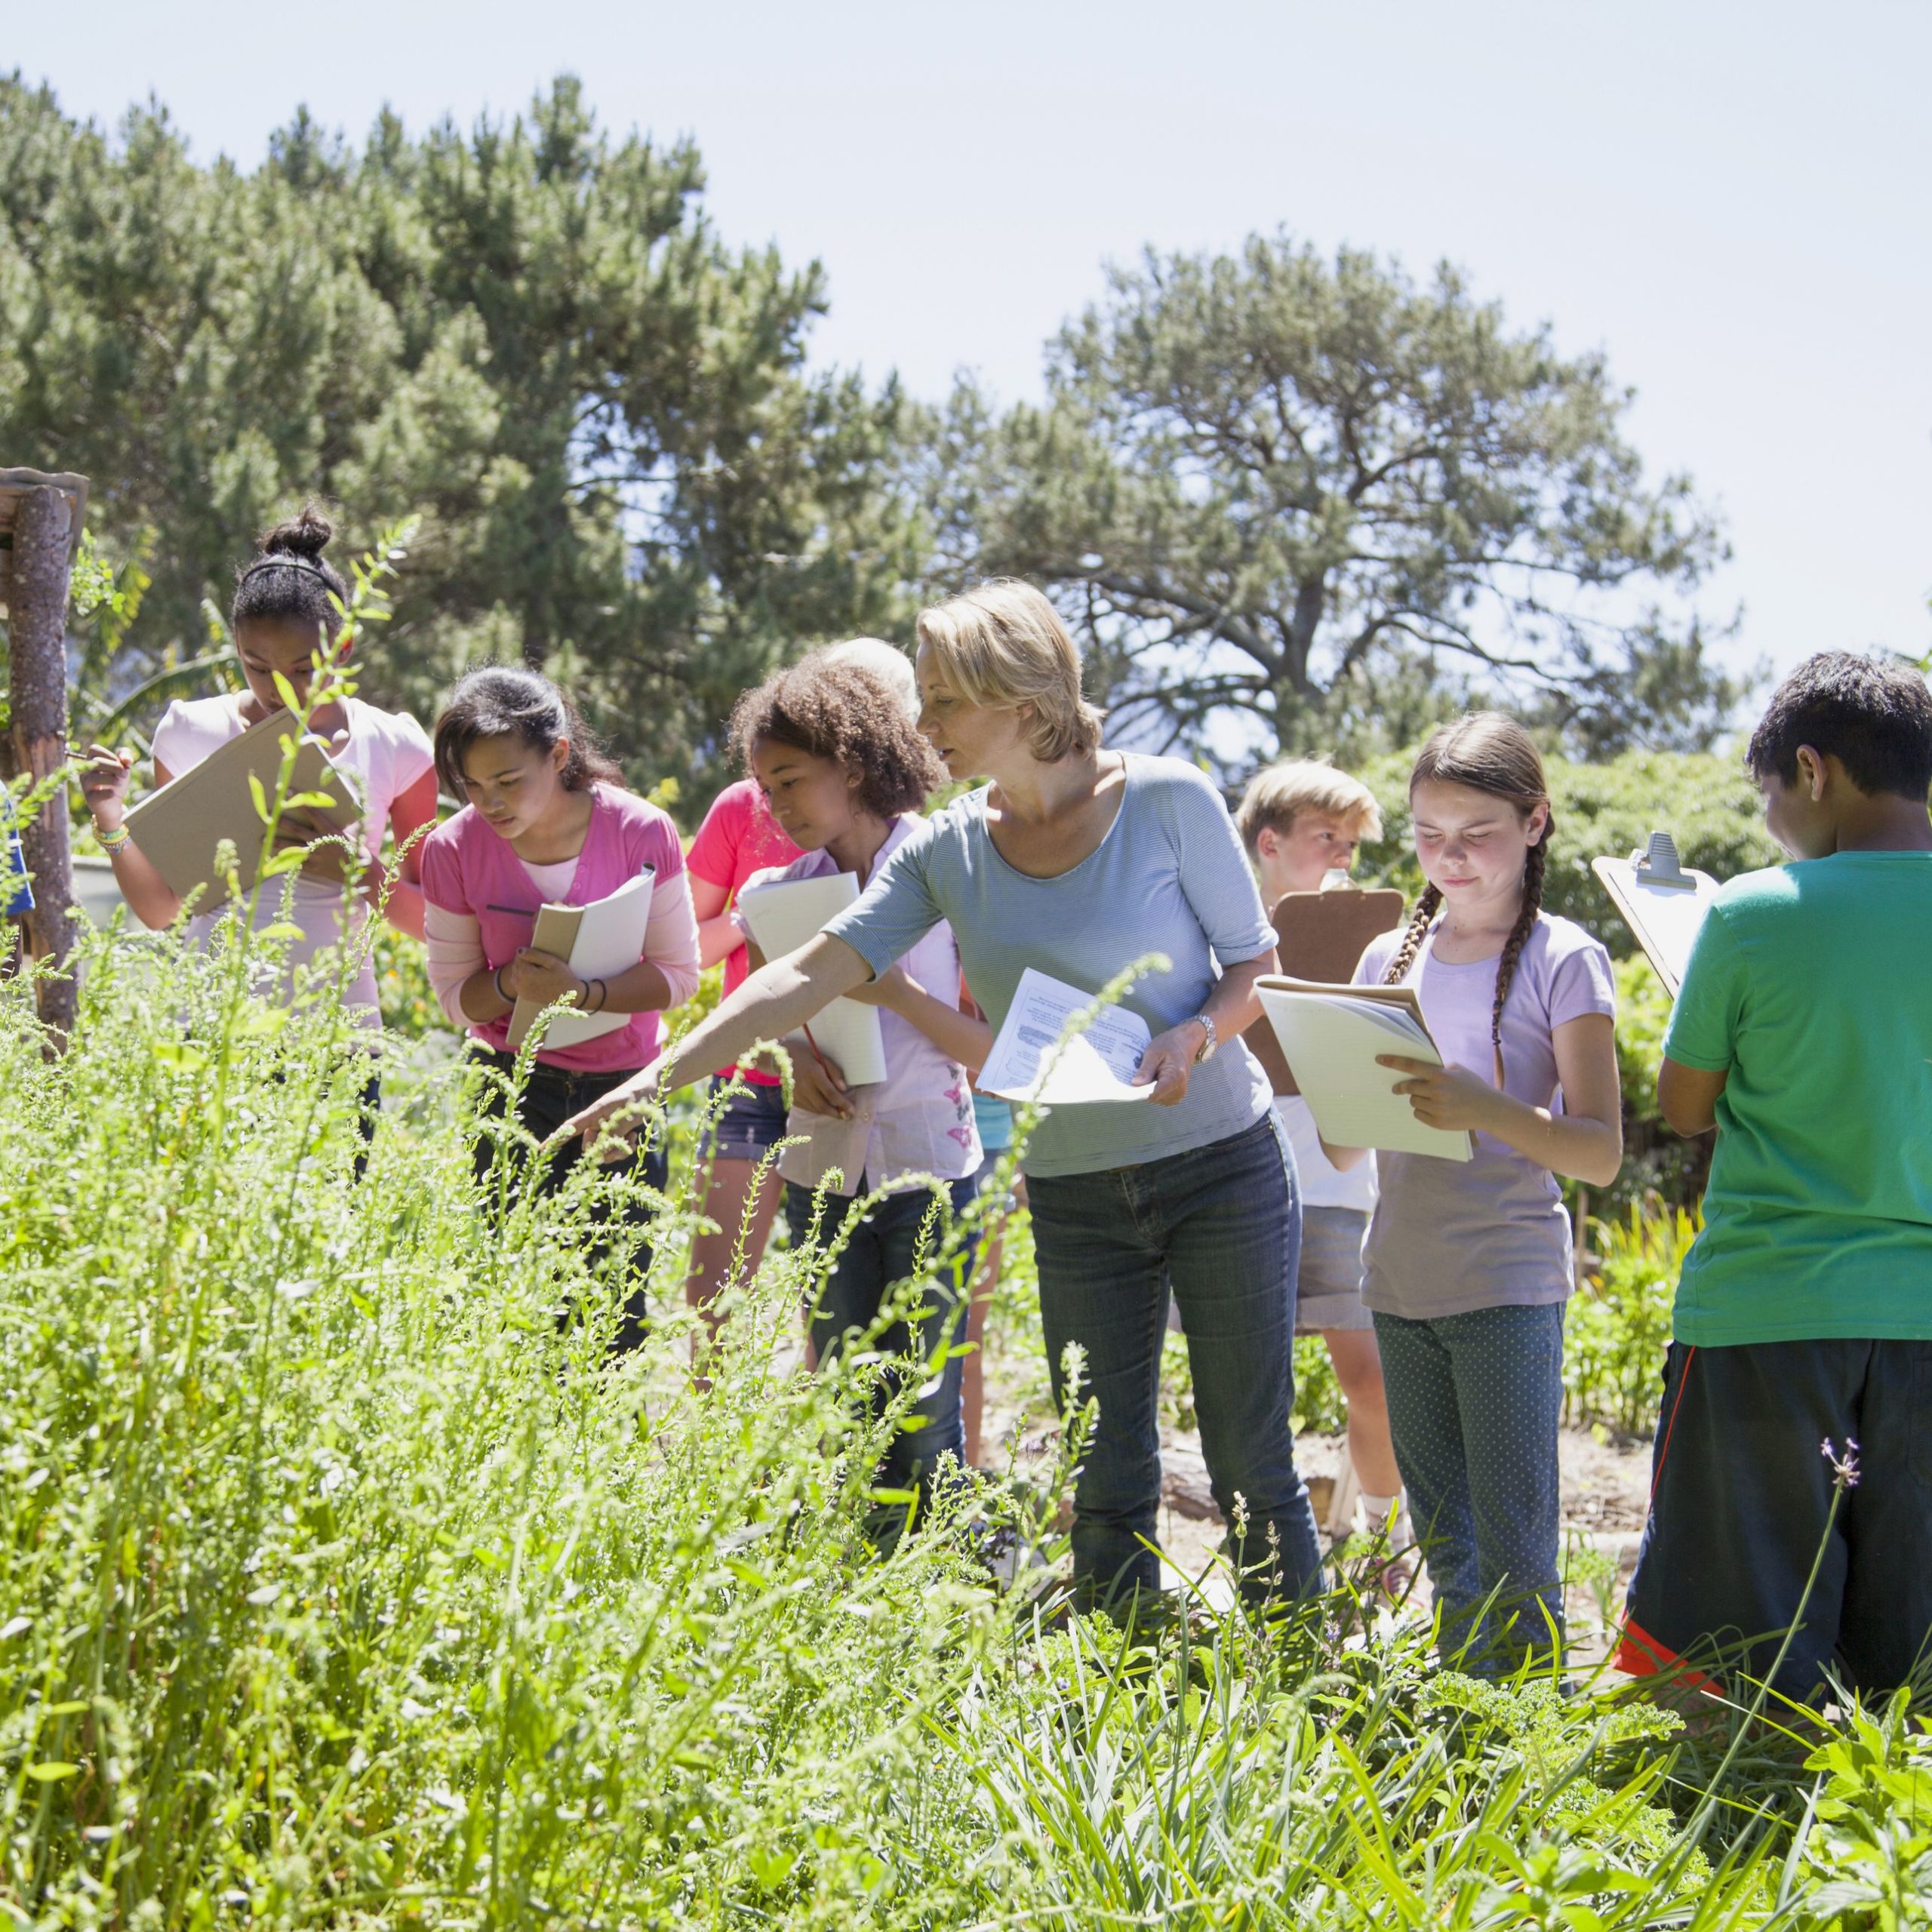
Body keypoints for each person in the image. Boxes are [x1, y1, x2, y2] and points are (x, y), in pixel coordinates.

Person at [569, 580, 1324, 1614]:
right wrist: (653, 1081)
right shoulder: (946, 848)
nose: (919, 730)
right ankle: (1126, 1681)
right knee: (1104, 1472)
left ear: (1020, 700)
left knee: (1249, 1458)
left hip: (1220, 1165)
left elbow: (1254, 966)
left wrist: (1194, 1031)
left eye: (941, 703)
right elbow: (803, 972)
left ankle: (1299, 1689)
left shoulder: (1168, 799)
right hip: (1074, 1190)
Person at [1620, 653, 1932, 1702]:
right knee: (1912, 1657)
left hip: (1769, 1313)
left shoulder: (1753, 913)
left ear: (1812, 769)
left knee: (1730, 1656)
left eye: (1765, 799)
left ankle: (1728, 1845)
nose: (1770, 826)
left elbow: (1686, 1105)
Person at [1328, 714, 1621, 1671]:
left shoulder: (1562, 958)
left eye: (1476, 833)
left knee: (1515, 1548)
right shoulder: (1388, 959)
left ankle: (1529, 1748)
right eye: (1427, 834)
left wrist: (1481, 1105)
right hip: (1400, 1283)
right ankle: (1465, 1727)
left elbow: (1598, 1152)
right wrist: (1334, 1085)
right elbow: (1341, 1146)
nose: (1449, 857)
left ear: (1535, 823)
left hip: (1504, 1285)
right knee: (1446, 1541)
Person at [725, 649, 992, 1504]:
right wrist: (791, 1059)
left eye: (791, 780)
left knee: (925, 1403)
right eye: (765, 788)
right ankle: (860, 1574)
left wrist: (900, 994)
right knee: (846, 1392)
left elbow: (993, 1046)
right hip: (822, 1166)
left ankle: (936, 1590)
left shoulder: (953, 866)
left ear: (851, 761)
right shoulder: (774, 894)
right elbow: (764, 1028)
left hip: (931, 1161)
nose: (776, 806)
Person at [419, 666, 700, 1355]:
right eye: (472, 787)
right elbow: (457, 999)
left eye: (508, 781)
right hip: (512, 1089)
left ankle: (599, 1453)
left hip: (623, 1090)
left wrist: (584, 995)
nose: (489, 803)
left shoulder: (641, 831)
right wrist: (514, 983)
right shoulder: (451, 849)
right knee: (515, 1297)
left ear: (560, 755)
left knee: (613, 1306)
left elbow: (679, 976)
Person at [78, 507, 438, 1032]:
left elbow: (437, 923)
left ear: (343, 648)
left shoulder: (396, 746)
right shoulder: (188, 733)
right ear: (235, 644)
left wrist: (359, 874)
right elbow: (163, 912)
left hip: (338, 1044)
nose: (279, 688)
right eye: (256, 666)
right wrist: (111, 818)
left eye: (301, 668)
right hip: (212, 1035)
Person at [681, 640, 918, 1371]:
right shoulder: (746, 806)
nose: (780, 803)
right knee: (719, 1287)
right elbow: (693, 937)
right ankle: (709, 1444)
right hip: (759, 1068)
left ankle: (821, 1438)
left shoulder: (918, 841)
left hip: (873, 1085)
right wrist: (763, 920)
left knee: (842, 1294)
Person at [1235, 758, 1405, 1551]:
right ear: (1269, 843)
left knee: (1369, 1379)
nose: (1341, 856)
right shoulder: (1217, 932)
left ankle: (1382, 1547)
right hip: (1237, 1184)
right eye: (1324, 837)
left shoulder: (1374, 946)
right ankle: (1267, 1547)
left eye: (1349, 842)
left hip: (1340, 1184)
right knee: (1248, 1386)